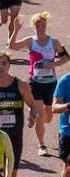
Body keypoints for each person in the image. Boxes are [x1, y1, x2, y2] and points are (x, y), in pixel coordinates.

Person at [10, 10, 69, 157]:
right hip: (35, 82)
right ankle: (41, 144)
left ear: (46, 25)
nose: (40, 28)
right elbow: (12, 46)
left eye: (42, 25)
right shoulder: (31, 41)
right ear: (33, 26)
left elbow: (66, 58)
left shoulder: (53, 42)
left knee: (48, 116)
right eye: (37, 25)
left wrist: (52, 66)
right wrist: (16, 30)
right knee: (38, 112)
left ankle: (37, 118)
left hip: (50, 83)